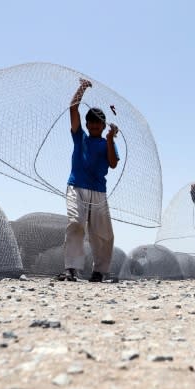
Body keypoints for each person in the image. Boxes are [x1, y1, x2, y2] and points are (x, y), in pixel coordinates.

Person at [59, 78, 120, 282]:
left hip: (98, 191)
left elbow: (112, 164)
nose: (94, 125)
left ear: (103, 125)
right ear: (87, 124)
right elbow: (73, 109)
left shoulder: (107, 142)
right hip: (76, 186)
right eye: (91, 121)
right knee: (75, 223)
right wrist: (82, 87)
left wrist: (111, 140)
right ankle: (72, 269)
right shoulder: (80, 137)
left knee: (102, 233)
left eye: (98, 122)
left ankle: (100, 271)